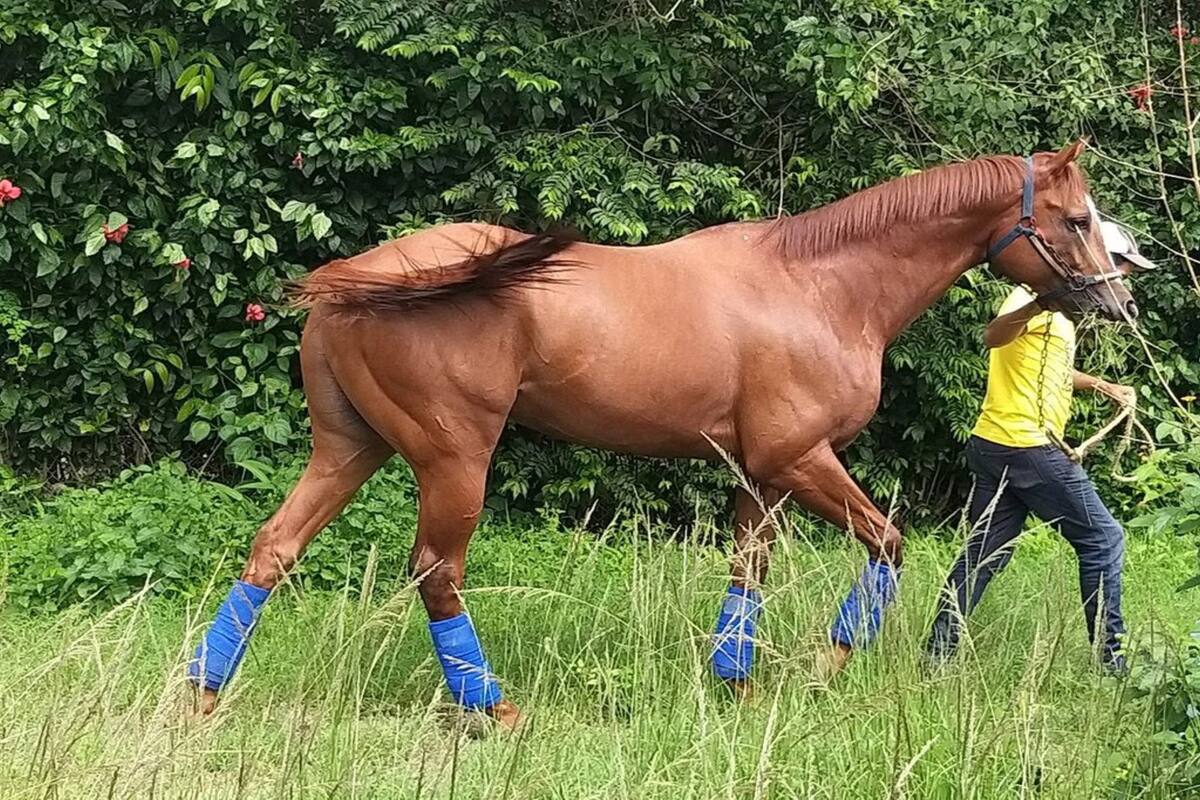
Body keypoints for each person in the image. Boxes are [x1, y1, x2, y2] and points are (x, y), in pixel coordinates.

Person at [925, 218, 1156, 673]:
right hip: (1027, 446)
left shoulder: (1063, 316)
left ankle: (937, 654)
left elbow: (1048, 367)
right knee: (1103, 538)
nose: (1126, 275)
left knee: (985, 554)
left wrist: (1102, 385)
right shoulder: (1033, 298)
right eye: (1123, 265)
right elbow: (995, 336)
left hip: (995, 444)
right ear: (1098, 260)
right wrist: (1037, 305)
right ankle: (1112, 662)